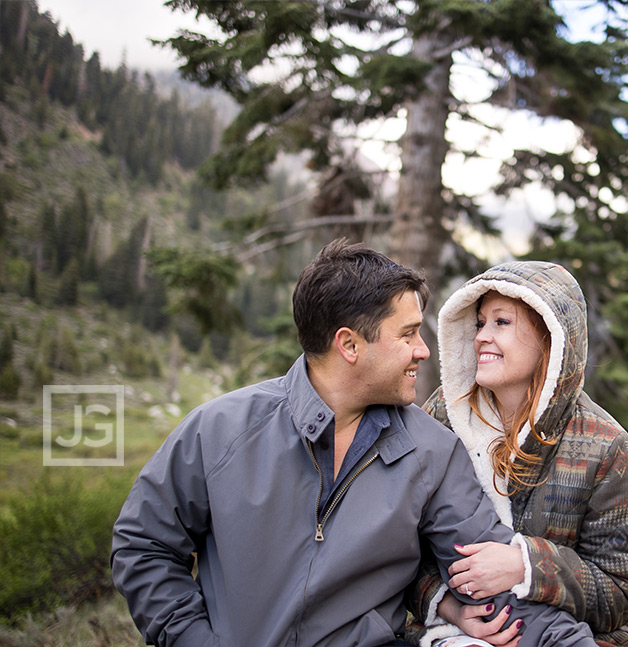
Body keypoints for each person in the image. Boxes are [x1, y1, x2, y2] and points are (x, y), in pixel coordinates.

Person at [111, 240, 599, 647]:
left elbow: (490, 584)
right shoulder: (220, 430)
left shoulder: (432, 451)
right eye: (408, 334)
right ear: (349, 346)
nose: (423, 350)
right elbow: (143, 544)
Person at [406, 261, 628, 647]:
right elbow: (402, 551)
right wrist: (450, 605)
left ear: (550, 337)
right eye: (480, 323)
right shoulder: (441, 417)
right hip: (457, 634)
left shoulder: (605, 445)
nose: (482, 336)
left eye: (501, 323)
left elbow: (625, 590)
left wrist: (527, 567)